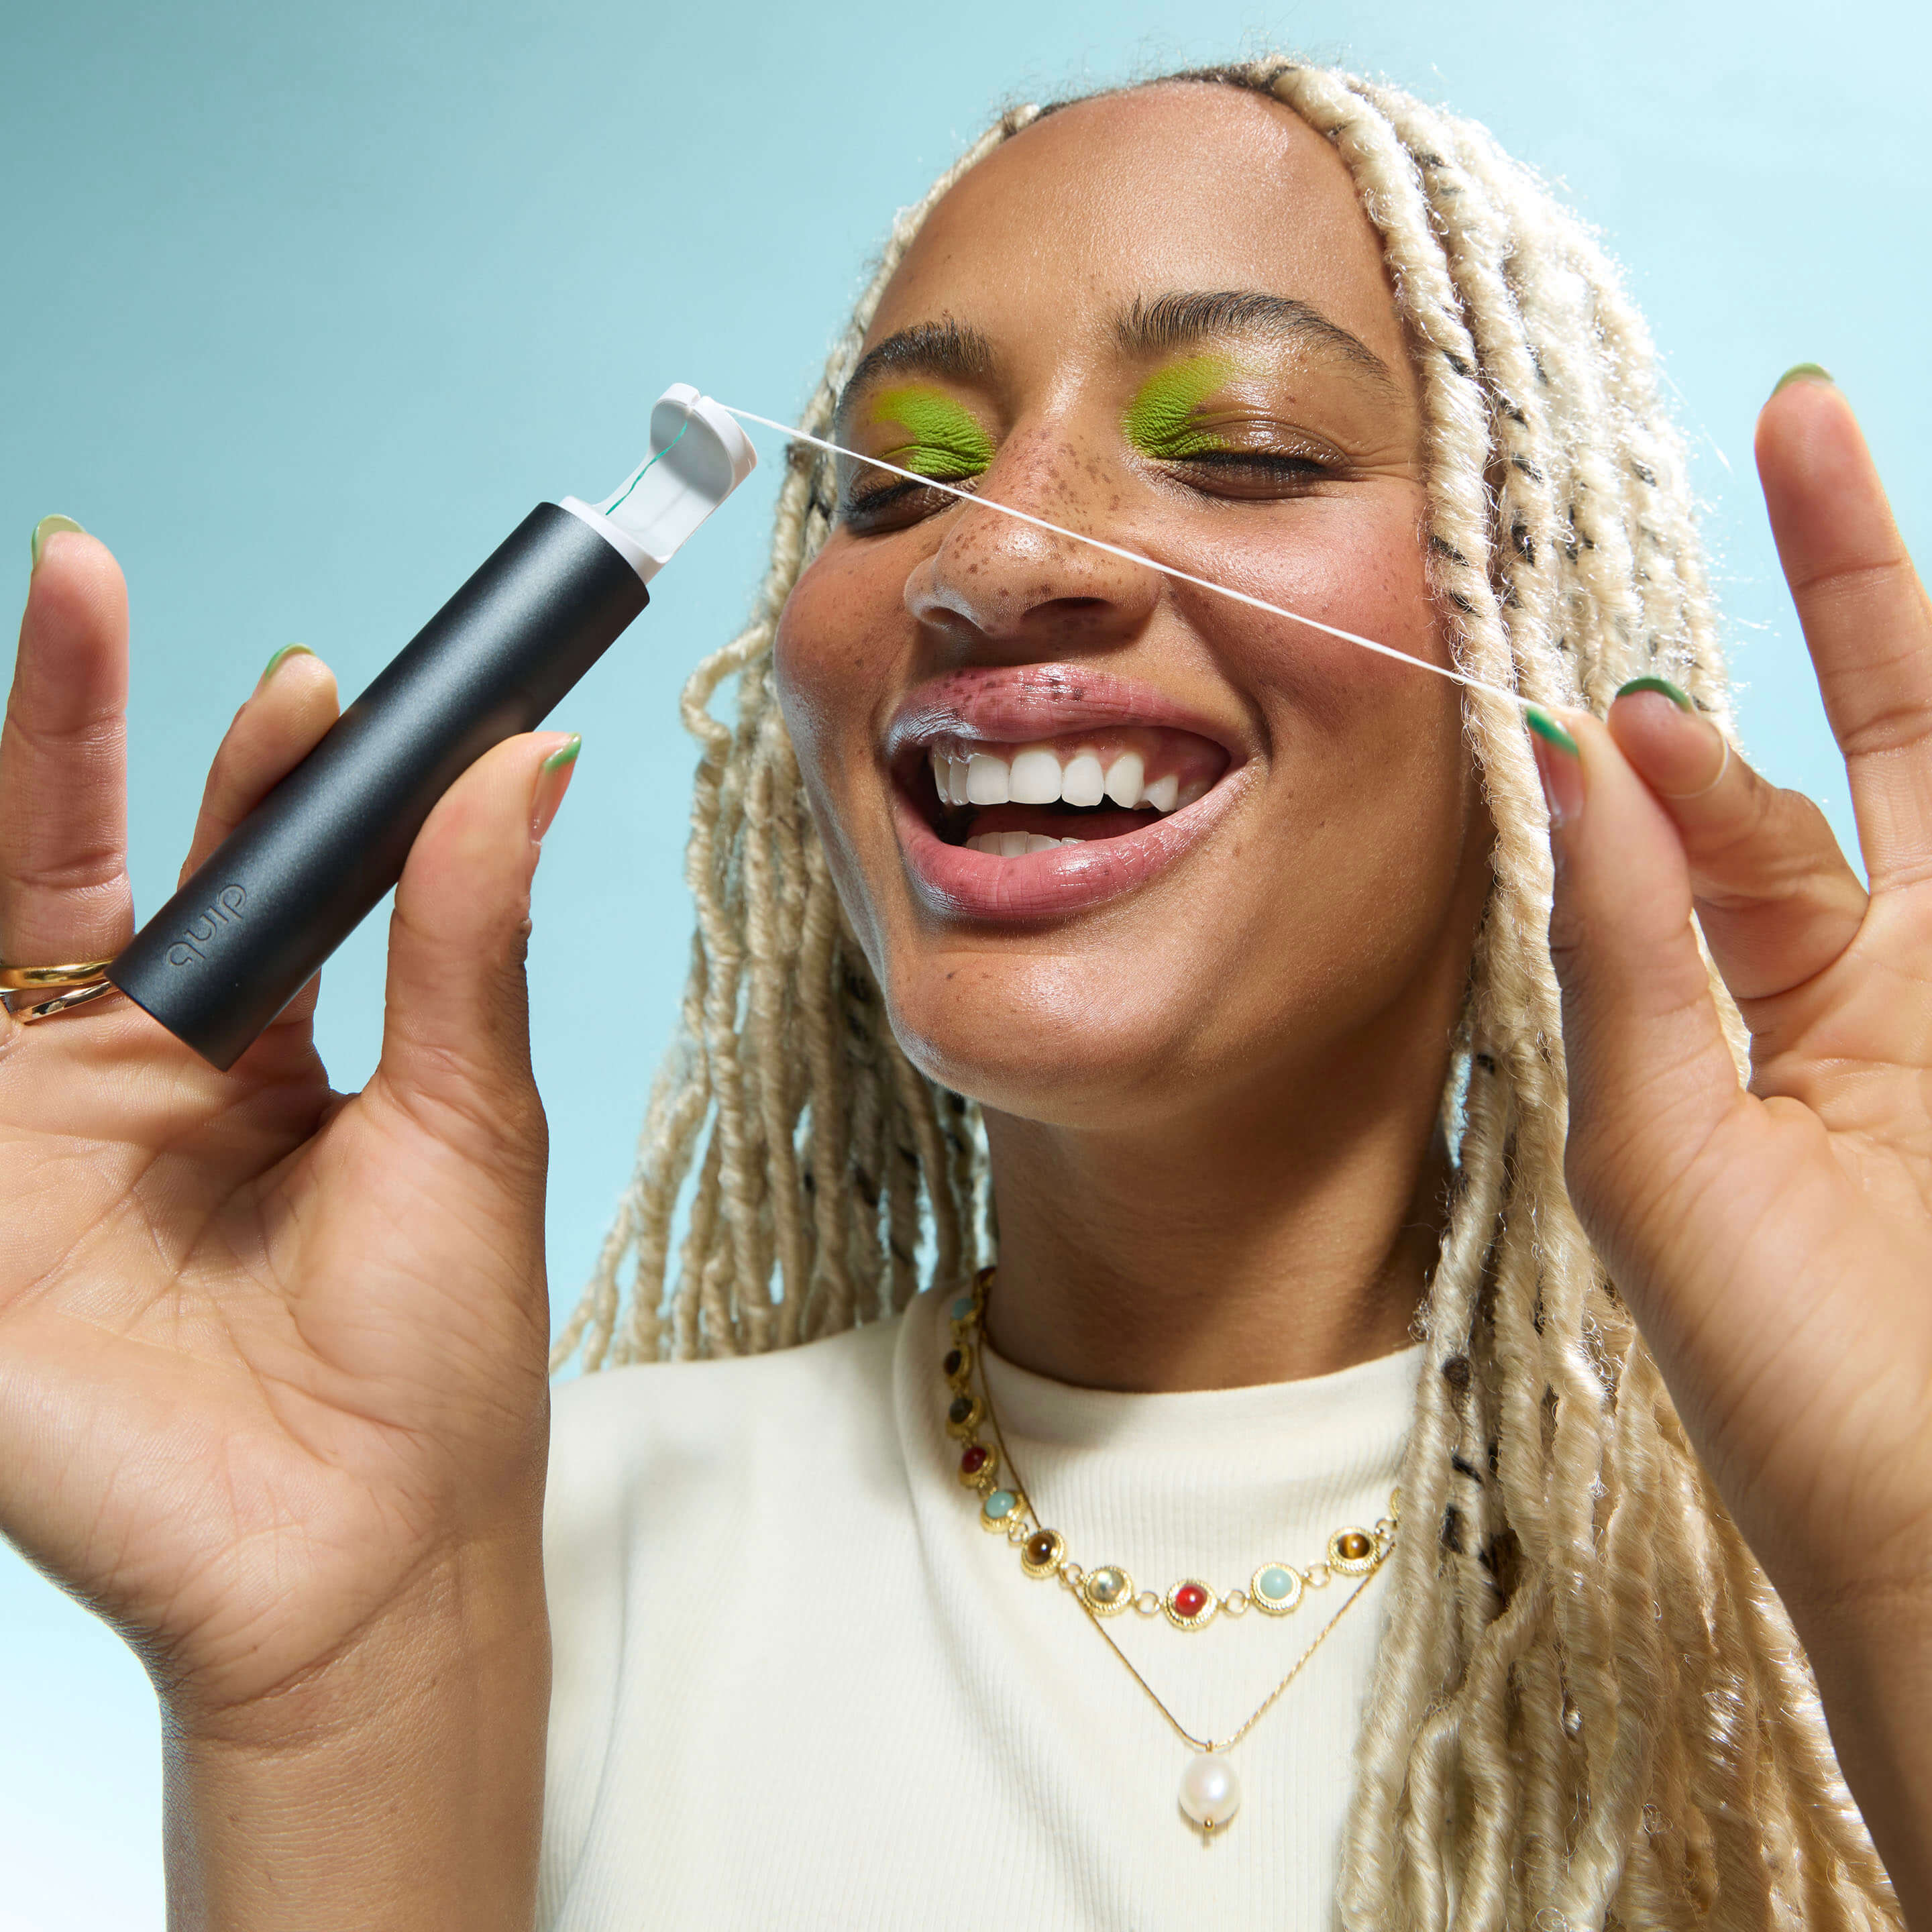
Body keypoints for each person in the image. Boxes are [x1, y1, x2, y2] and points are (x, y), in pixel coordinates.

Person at [2, 54, 1924, 1930]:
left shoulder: (1804, 1557)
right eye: (897, 485)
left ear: (1537, 632)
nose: (995, 558)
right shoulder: (494, 1546)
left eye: (1243, 448)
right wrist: (326, 1710)